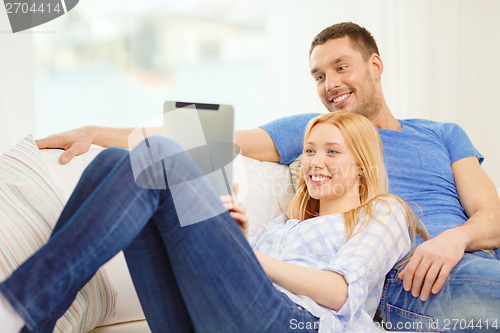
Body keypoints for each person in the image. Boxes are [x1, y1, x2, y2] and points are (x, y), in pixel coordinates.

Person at [36, 22, 500, 331]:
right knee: (130, 168)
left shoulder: (442, 134)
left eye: (342, 67)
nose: (330, 83)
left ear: (374, 66)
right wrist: (98, 132)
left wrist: (454, 238)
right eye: (318, 75)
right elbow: (207, 135)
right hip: (410, 278)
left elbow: (491, 216)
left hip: (461, 254)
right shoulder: (311, 130)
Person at [0, 111, 425, 332]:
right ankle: (31, 322)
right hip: (215, 319)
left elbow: (340, 293)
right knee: (114, 160)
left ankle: (14, 306)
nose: (315, 161)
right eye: (311, 151)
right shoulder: (284, 224)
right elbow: (237, 277)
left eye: (333, 152)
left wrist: (248, 258)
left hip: (293, 324)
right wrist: (235, 242)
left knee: (161, 155)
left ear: (363, 167)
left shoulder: (383, 211)